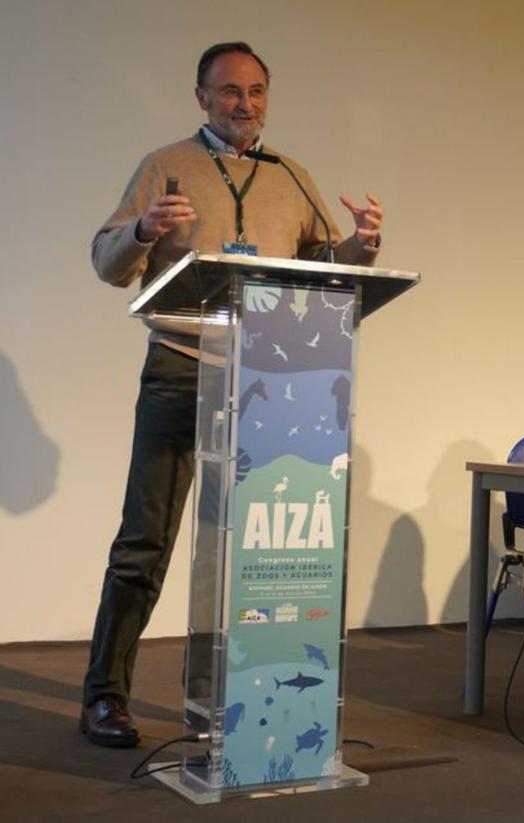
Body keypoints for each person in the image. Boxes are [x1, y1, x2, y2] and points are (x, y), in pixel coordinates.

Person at [81, 42, 384, 747]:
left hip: (266, 385)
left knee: (246, 551)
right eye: (228, 92)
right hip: (181, 368)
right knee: (145, 542)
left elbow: (324, 270)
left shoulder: (291, 176)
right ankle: (104, 696)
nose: (243, 104)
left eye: (255, 92)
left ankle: (231, 700)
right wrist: (143, 229)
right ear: (201, 98)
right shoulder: (166, 165)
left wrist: (362, 246)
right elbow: (105, 260)